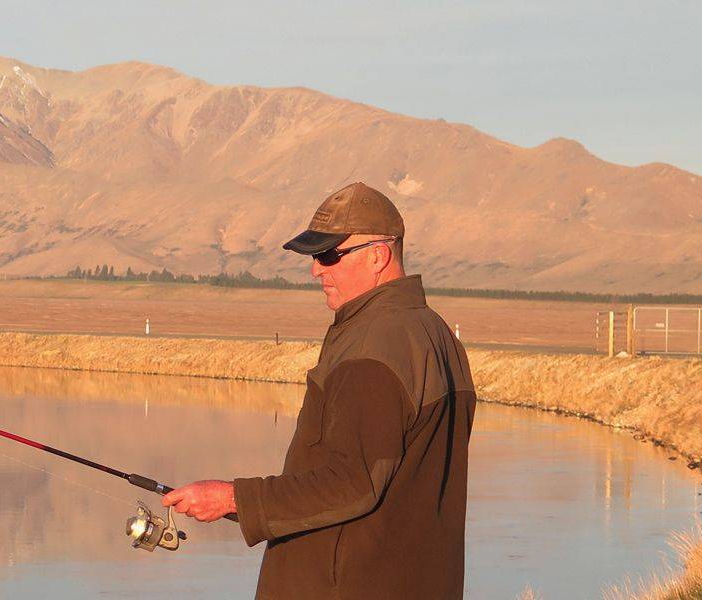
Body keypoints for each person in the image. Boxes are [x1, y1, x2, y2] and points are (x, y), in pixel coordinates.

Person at [163, 182, 477, 598]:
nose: (316, 270)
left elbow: (352, 482)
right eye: (315, 256)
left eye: (330, 254)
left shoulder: (375, 345)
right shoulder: (434, 333)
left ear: (379, 254)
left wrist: (233, 498)